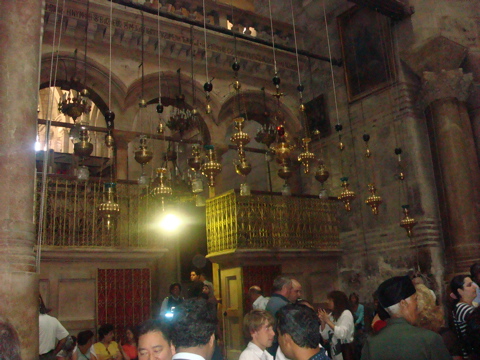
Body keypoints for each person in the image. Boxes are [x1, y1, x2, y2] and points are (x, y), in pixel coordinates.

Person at [361, 275, 451, 360]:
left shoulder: (371, 344)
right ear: (403, 303)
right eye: (415, 299)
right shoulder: (430, 340)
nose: (417, 305)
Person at [319, 291, 354, 360]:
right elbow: (325, 336)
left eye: (330, 300)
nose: (327, 302)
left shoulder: (346, 313)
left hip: (345, 350)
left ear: (337, 301)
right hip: (334, 351)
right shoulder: (332, 315)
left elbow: (342, 334)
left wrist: (328, 321)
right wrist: (323, 321)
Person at [450, 274, 479, 359]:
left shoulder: (466, 306)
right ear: (460, 291)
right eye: (469, 285)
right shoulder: (463, 309)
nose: (475, 287)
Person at [39, 296, 70, 360]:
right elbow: (64, 337)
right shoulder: (52, 320)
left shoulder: (32, 322)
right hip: (49, 355)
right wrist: (55, 352)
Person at [349, 293, 364, 360]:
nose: (353, 300)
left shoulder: (361, 307)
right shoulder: (349, 307)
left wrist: (356, 324)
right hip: (353, 326)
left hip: (360, 325)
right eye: (352, 298)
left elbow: (361, 316)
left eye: (354, 298)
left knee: (360, 342)